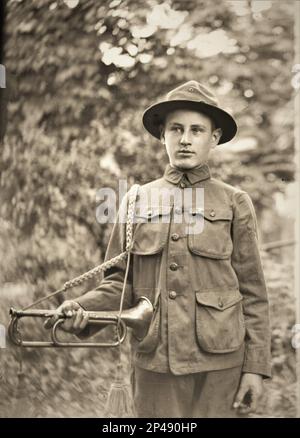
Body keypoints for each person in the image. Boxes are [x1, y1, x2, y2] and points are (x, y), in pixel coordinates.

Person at [46, 80, 272, 418]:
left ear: (214, 138)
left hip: (221, 365)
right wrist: (81, 309)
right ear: (161, 135)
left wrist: (255, 367)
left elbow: (253, 293)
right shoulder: (136, 200)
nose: (185, 139)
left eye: (197, 130)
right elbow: (119, 284)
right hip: (156, 361)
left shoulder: (234, 202)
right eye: (176, 129)